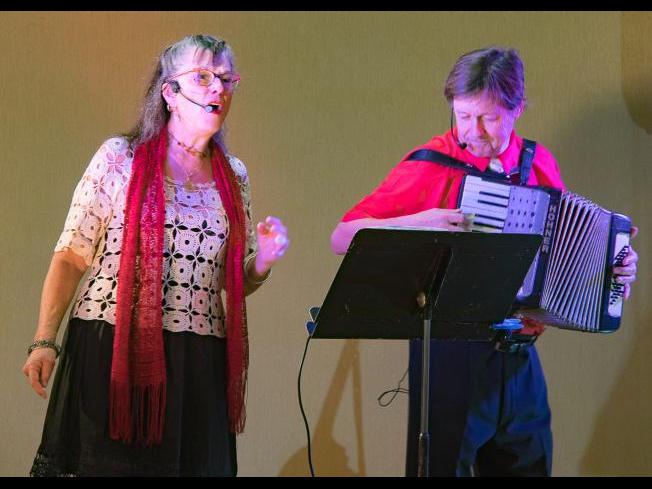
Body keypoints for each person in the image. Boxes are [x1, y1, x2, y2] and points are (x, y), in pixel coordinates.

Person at [330, 46, 638, 476]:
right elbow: (343, 235)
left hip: (519, 359)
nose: (471, 131)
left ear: (517, 110)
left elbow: (566, 255)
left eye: (488, 118)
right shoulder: (432, 163)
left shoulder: (538, 162)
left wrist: (613, 267)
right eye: (462, 115)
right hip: (451, 359)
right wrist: (423, 221)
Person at [22, 34, 290, 477]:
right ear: (170, 92)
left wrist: (264, 261)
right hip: (113, 353)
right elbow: (71, 255)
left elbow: (230, 278)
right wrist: (44, 340)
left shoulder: (234, 176)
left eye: (226, 79)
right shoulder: (119, 159)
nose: (218, 89)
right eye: (203, 77)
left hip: (197, 362)